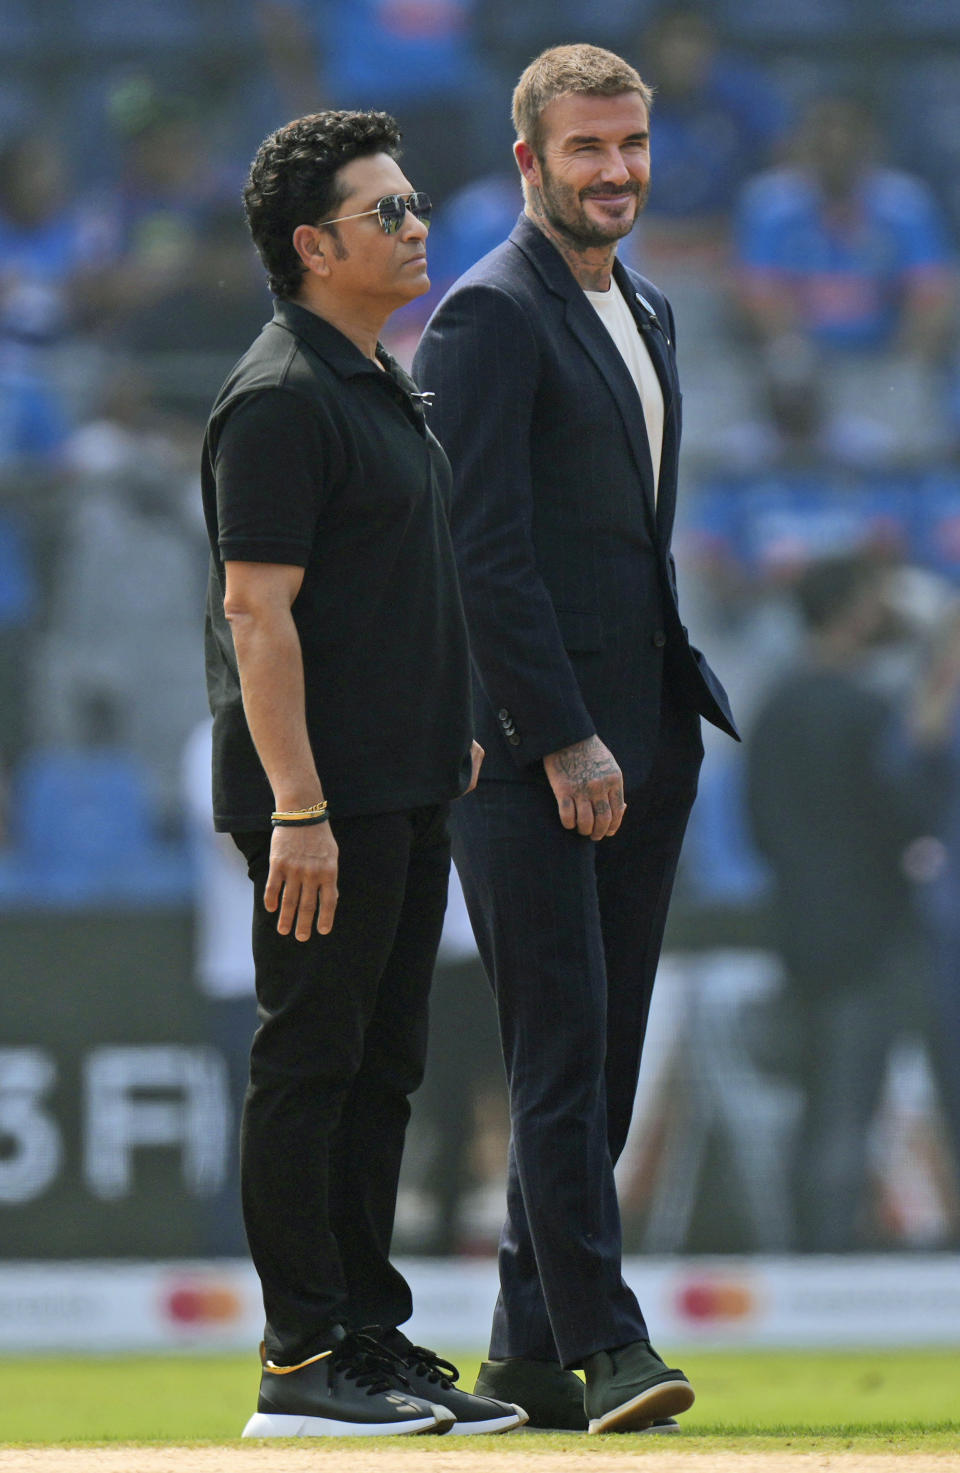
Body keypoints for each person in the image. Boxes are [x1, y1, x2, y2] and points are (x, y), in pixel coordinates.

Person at [413, 44, 738, 1435]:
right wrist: (561, 735)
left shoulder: (647, 307)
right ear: (528, 160)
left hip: (647, 731)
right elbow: (474, 553)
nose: (615, 171)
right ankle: (610, 1344)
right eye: (586, 150)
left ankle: (527, 1348)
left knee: (600, 1058)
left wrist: (640, 725)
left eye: (632, 146)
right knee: (560, 1050)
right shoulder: (486, 317)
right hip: (527, 750)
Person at [201, 109, 524, 1437]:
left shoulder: (373, 379)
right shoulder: (279, 398)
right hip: (317, 798)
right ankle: (299, 1360)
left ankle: (367, 1336)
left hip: (395, 781)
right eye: (386, 212)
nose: (414, 226)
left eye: (412, 205)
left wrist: (442, 722)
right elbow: (255, 615)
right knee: (315, 1057)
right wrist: (301, 806)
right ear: (311, 244)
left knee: (382, 1063)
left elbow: (392, 587)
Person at [745, 554, 933, 1250]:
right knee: (850, 1100)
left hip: (795, 928)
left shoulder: (774, 705)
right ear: (853, 609)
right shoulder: (869, 709)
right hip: (870, 931)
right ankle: (828, 1253)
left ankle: (804, 1248)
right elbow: (905, 816)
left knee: (815, 1097)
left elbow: (758, 823)